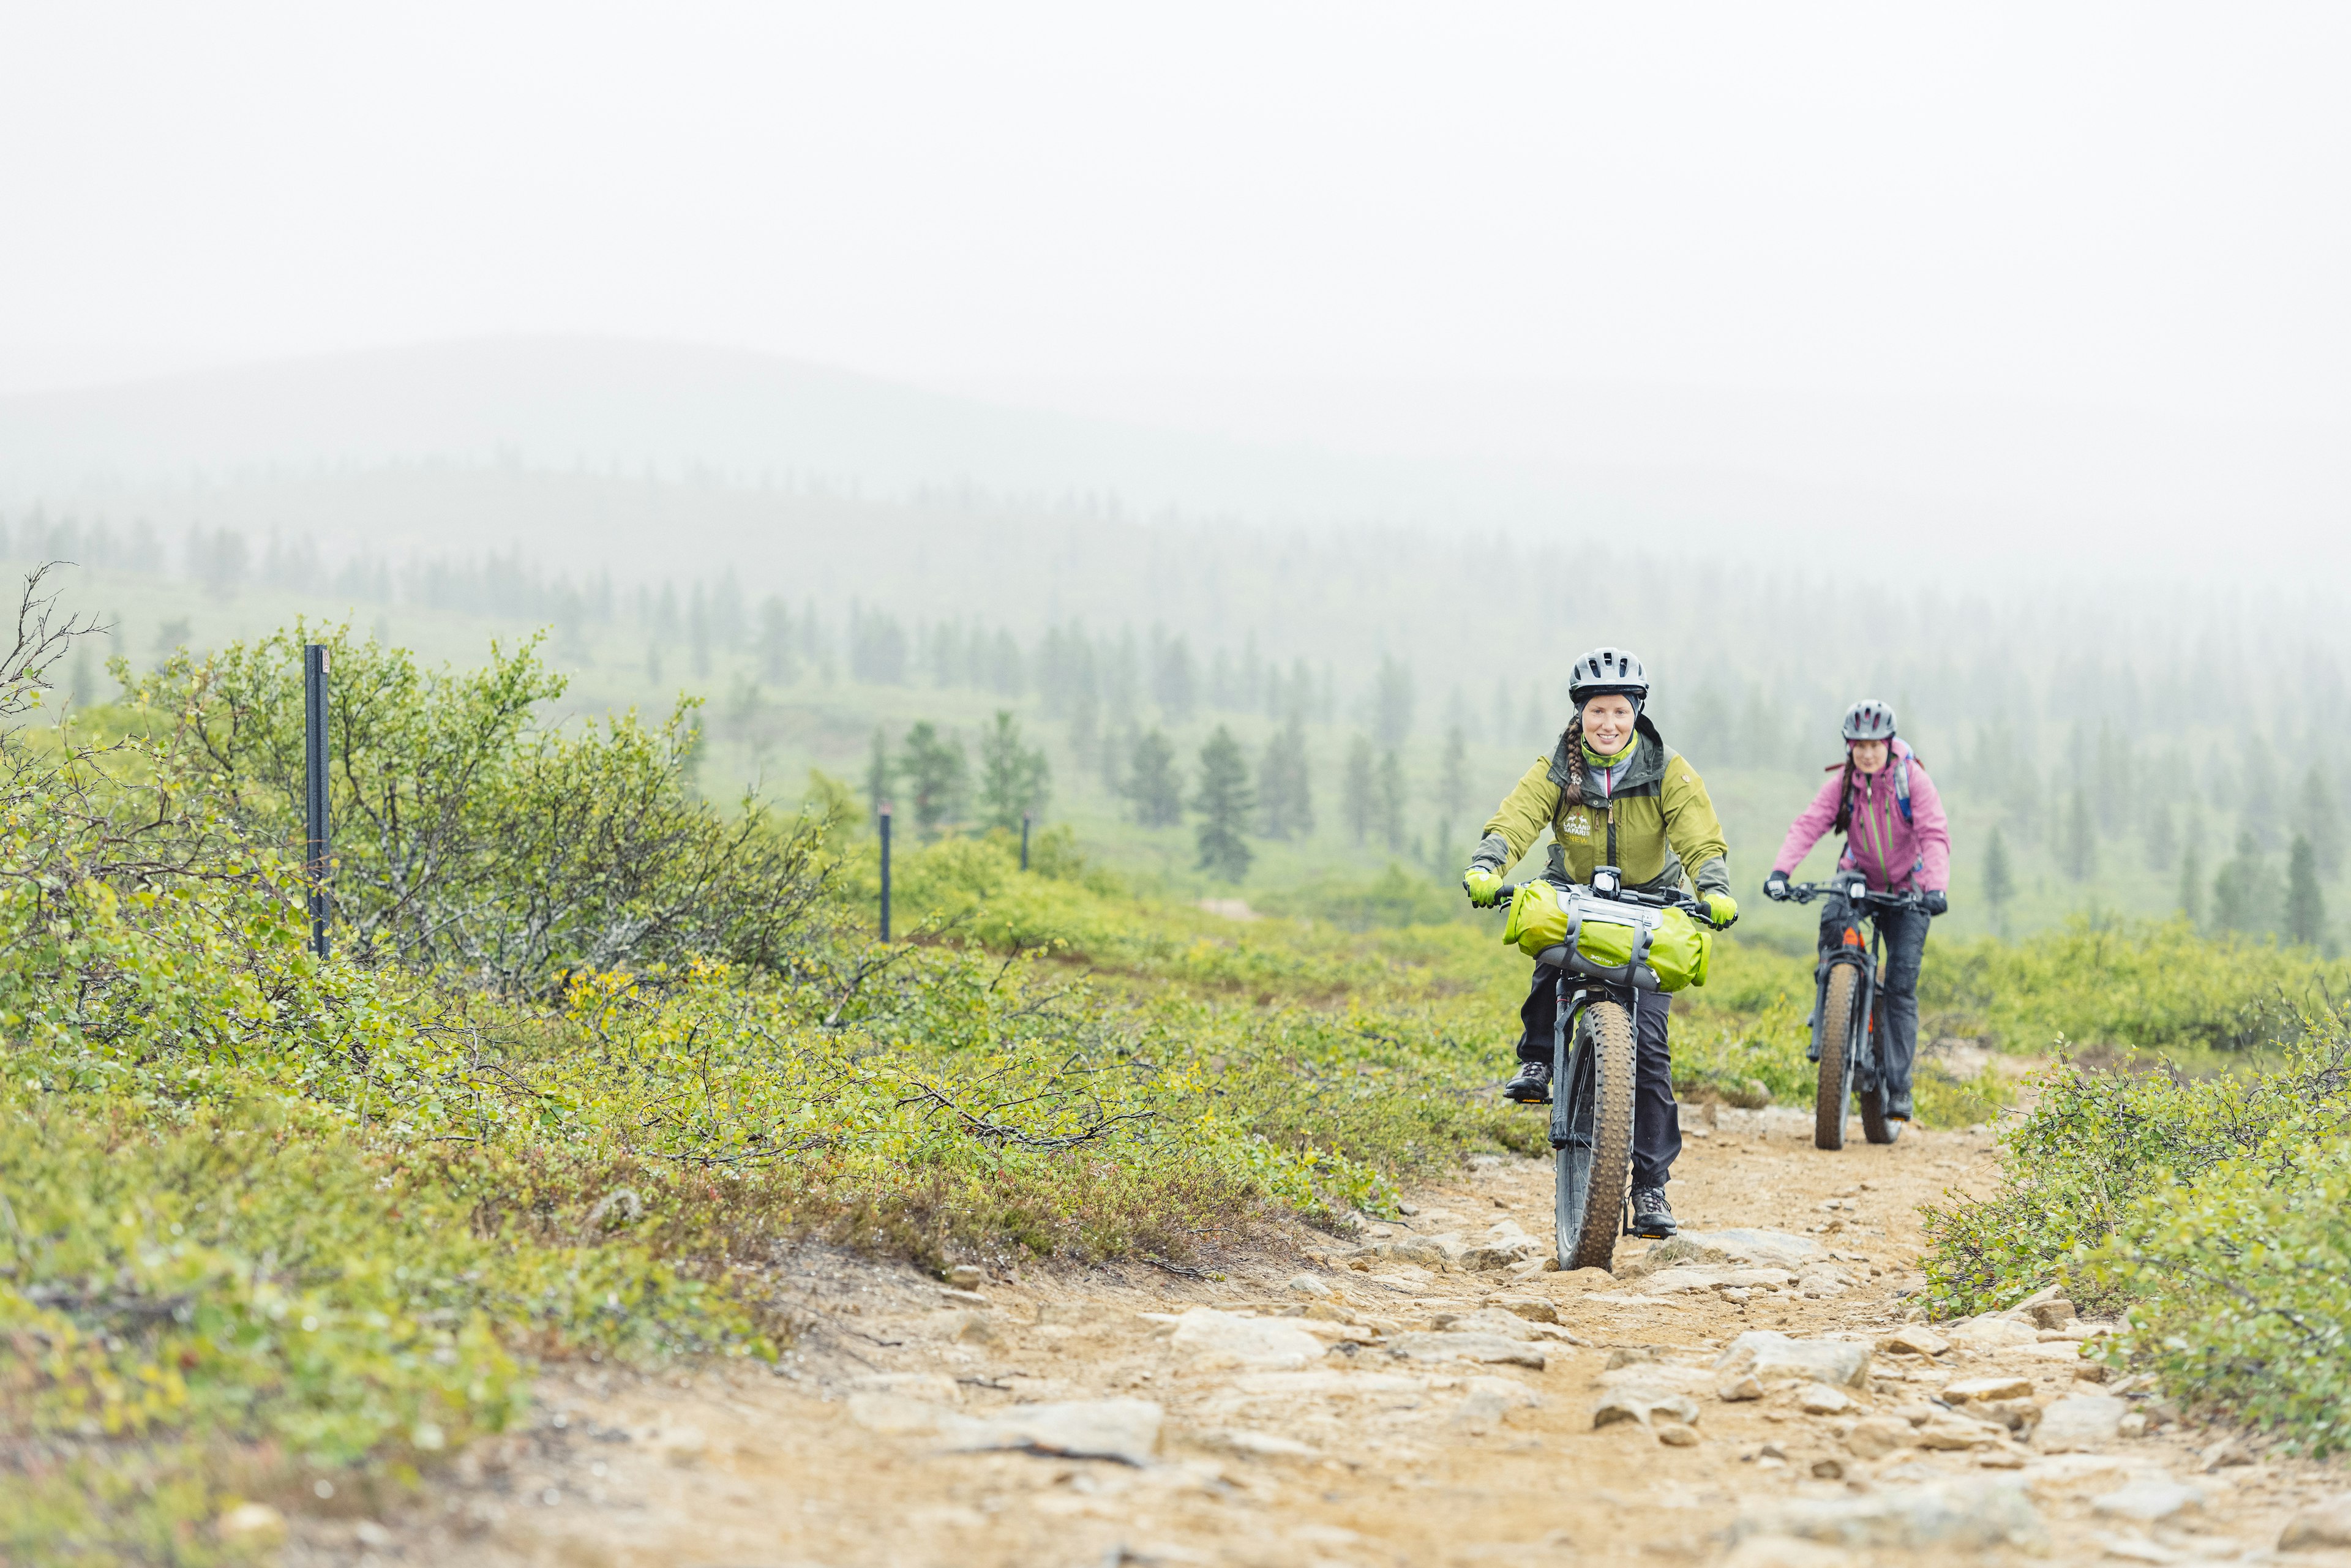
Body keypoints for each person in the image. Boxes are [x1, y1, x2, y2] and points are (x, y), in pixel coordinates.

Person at [1461, 647, 1736, 1239]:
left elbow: (1700, 840)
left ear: (1636, 711)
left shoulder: (1669, 771)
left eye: (1618, 711)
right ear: (1578, 714)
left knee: (1653, 1054)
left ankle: (1650, 1186)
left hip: (1650, 910)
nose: (1607, 724)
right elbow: (1515, 821)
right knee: (1547, 959)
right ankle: (1537, 1057)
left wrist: (1713, 889)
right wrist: (1488, 865)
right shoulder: (1557, 769)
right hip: (1575, 894)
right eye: (1595, 711)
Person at [1764, 700, 1951, 1123]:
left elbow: (1934, 833)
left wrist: (1936, 888)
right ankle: (1833, 997)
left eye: (1875, 745)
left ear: (1889, 743)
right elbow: (1809, 824)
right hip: (1859, 876)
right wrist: (1781, 870)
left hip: (1910, 887)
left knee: (1901, 985)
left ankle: (1899, 1088)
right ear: (1850, 746)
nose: (1867, 753)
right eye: (1859, 745)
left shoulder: (1911, 780)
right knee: (1833, 919)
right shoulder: (1845, 782)